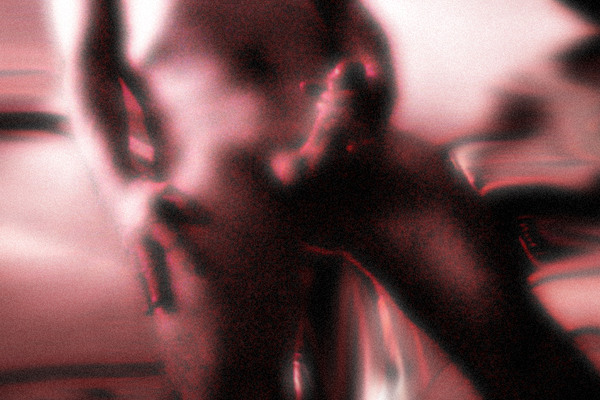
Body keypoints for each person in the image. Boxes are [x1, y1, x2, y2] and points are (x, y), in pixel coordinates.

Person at [51, 0, 600, 398]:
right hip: (218, 159)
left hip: (344, 140)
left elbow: (357, 29)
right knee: (231, 384)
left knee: (515, 340)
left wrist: (363, 92)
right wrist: (125, 195)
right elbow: (84, 77)